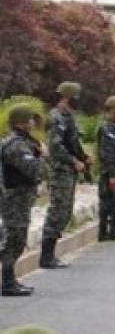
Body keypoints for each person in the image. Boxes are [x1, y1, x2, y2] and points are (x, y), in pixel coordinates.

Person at [41, 82, 92, 270]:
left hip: (69, 171)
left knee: (65, 211)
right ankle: (46, 256)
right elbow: (56, 147)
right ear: (68, 98)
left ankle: (51, 254)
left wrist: (84, 158)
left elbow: (73, 142)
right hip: (60, 170)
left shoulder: (68, 117)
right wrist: (73, 161)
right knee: (57, 211)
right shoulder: (56, 118)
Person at [1, 103, 44, 296]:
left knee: (15, 239)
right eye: (29, 119)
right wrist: (43, 156)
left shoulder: (22, 142)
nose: (32, 122)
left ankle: (10, 280)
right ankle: (8, 283)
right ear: (19, 123)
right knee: (14, 240)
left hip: (19, 199)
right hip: (14, 200)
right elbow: (33, 169)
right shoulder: (16, 145)